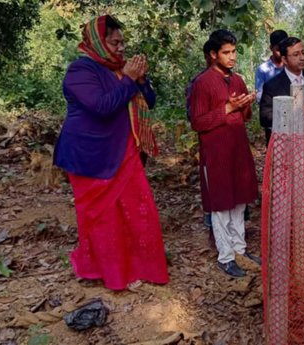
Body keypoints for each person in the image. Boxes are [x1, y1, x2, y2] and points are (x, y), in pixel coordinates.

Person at [53, 15, 169, 290]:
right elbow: (102, 107)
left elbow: (148, 102)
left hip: (124, 151)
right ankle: (106, 272)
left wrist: (139, 79)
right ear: (97, 42)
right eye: (115, 43)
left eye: (122, 43)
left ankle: (141, 266)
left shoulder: (121, 70)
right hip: (90, 155)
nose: (121, 48)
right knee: (103, 219)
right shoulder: (80, 71)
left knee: (139, 212)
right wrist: (128, 79)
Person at [190, 29, 260, 278]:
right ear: (213, 54)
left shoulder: (238, 79)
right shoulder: (202, 83)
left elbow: (245, 117)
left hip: (238, 150)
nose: (232, 57)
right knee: (221, 205)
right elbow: (197, 122)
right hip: (217, 152)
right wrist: (228, 107)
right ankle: (226, 256)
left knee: (239, 200)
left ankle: (240, 249)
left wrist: (245, 105)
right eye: (226, 52)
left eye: (234, 52)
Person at [259, 37, 304, 146]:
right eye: (296, 55)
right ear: (284, 59)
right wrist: (295, 112)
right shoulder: (272, 85)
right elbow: (265, 119)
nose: (302, 58)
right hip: (289, 144)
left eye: (303, 53)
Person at [185, 40, 215, 233]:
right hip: (210, 141)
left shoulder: (233, 79)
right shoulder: (198, 82)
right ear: (208, 56)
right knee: (211, 182)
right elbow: (193, 116)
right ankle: (212, 224)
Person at [254, 30, 288, 144]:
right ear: (271, 48)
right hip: (273, 124)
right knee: (274, 158)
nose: (282, 52)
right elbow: (259, 95)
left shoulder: (291, 67)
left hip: (293, 122)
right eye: (278, 49)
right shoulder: (263, 70)